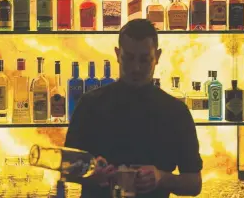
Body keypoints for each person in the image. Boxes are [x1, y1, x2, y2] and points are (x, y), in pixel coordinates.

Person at [65, 19, 203, 198]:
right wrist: (90, 173)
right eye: (128, 58)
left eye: (145, 60)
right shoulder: (90, 104)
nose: (136, 68)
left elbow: (194, 184)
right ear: (117, 54)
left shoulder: (176, 112)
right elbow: (66, 167)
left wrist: (161, 177)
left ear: (158, 56)